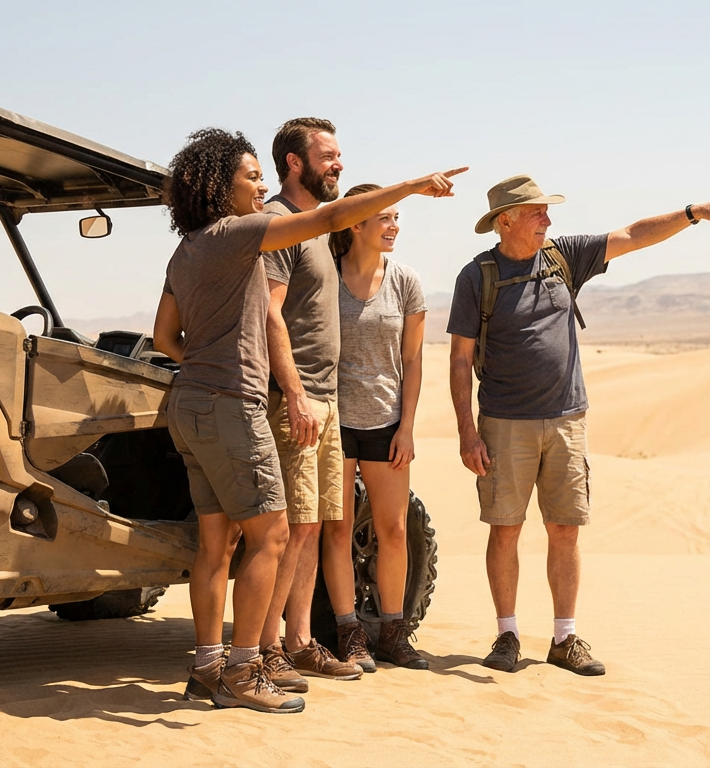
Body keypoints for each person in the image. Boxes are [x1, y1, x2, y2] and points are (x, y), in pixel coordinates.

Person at [151, 125, 463, 713]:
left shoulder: (186, 247)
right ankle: (246, 670)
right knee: (272, 535)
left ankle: (207, 668)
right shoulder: (239, 233)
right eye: (250, 176)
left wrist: (206, 362)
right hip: (232, 403)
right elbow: (328, 219)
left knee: (216, 545)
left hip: (189, 402)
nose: (260, 184)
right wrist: (414, 186)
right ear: (222, 186)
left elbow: (164, 337)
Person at [447, 174, 710, 676]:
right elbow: (460, 360)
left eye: (547, 210)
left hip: (567, 421)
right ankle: (507, 635)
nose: (549, 219)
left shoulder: (564, 257)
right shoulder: (476, 277)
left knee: (565, 529)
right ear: (506, 221)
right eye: (537, 211)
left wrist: (693, 212)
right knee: (506, 530)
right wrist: (466, 432)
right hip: (504, 424)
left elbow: (633, 235)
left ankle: (564, 638)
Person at [256, 118, 362, 692]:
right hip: (292, 401)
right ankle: (268, 648)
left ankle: (299, 642)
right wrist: (295, 395)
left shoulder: (319, 227)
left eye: (339, 154)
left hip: (328, 400)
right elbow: (271, 313)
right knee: (289, 527)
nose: (338, 164)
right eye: (328, 156)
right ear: (295, 163)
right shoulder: (280, 224)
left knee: (314, 526)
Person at [324, 183, 429, 670]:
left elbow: (412, 359)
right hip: (334, 422)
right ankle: (349, 634)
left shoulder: (406, 281)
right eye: (383, 218)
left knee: (393, 529)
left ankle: (393, 632)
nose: (393, 226)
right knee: (338, 530)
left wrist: (406, 427)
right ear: (356, 224)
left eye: (396, 218)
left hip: (387, 423)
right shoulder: (326, 278)